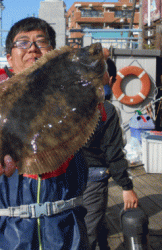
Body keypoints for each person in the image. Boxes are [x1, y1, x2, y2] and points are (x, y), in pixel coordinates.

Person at [0, 17, 90, 250]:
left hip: (64, 230)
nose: (33, 48)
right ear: (9, 58)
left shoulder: (73, 94)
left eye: (42, 42)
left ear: (53, 53)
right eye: (23, 42)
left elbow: (92, 111)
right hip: (1, 233)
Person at [80, 56, 138, 250]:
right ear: (109, 79)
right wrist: (126, 186)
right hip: (93, 179)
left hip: (68, 176)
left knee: (88, 226)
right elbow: (113, 152)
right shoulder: (107, 110)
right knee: (89, 232)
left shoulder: (71, 106)